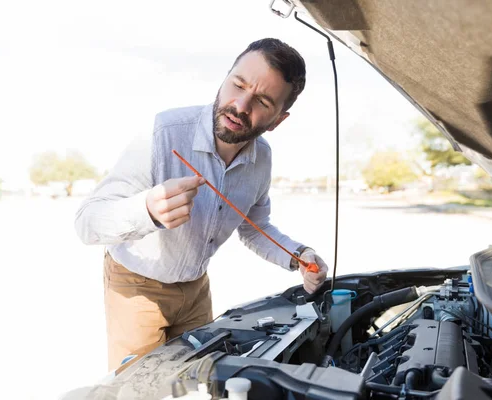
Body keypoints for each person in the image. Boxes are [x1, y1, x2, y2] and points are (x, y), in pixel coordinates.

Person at [74, 38, 329, 370]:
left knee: (198, 380)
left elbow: (255, 228)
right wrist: (146, 210)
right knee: (141, 391)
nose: (240, 105)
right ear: (225, 78)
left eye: (263, 101)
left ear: (279, 119)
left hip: (196, 288)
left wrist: (299, 256)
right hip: (136, 285)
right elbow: (87, 222)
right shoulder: (162, 133)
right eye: (237, 84)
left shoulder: (262, 158)